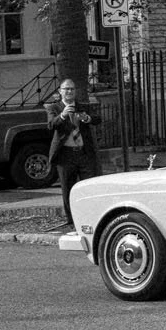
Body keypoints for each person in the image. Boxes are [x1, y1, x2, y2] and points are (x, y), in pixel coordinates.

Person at [44, 78, 101, 225]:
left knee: (89, 186)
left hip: (83, 153)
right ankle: (72, 220)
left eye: (72, 89)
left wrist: (87, 118)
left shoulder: (82, 107)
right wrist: (62, 115)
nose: (69, 91)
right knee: (68, 188)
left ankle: (91, 217)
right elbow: (51, 125)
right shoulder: (54, 108)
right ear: (60, 91)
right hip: (65, 155)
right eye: (66, 89)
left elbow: (97, 119)